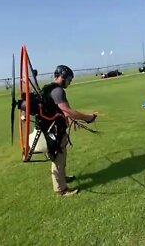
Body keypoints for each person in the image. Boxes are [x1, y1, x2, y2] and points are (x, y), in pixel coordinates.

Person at [41, 65, 97, 197]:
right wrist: (88, 118)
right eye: (69, 80)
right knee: (58, 158)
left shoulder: (48, 87)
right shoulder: (58, 91)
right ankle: (61, 189)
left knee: (61, 156)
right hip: (54, 131)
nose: (70, 83)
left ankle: (62, 178)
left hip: (51, 128)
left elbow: (57, 109)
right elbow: (68, 110)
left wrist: (69, 119)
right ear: (63, 77)